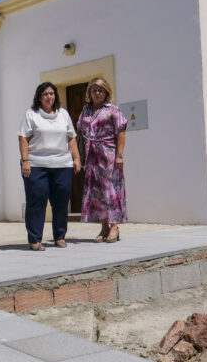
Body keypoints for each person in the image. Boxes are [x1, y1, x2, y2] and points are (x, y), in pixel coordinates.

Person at [18, 82, 81, 250]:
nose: (49, 97)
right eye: (45, 94)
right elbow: (23, 137)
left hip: (62, 164)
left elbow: (71, 137)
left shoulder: (63, 114)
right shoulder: (32, 114)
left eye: (52, 93)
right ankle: (35, 239)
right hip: (37, 164)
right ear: (39, 97)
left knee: (61, 201)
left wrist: (76, 158)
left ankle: (59, 236)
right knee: (37, 201)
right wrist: (25, 160)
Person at [77, 76, 127, 243]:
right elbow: (80, 132)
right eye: (93, 90)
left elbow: (121, 132)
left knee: (110, 190)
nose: (97, 93)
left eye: (100, 90)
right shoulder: (85, 110)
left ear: (106, 92)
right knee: (96, 192)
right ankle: (104, 227)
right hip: (91, 156)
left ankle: (114, 226)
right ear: (89, 92)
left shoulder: (112, 109)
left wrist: (119, 155)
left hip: (108, 155)